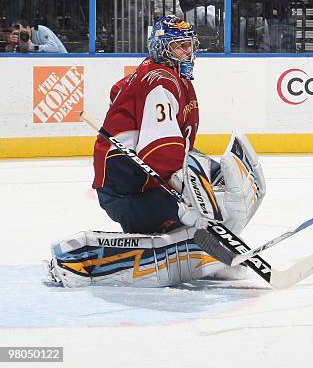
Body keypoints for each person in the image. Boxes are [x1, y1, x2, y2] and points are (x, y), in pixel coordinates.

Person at [44, 16, 266, 287]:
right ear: (162, 48)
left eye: (189, 45)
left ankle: (207, 253)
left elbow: (162, 134)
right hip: (128, 194)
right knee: (199, 221)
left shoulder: (169, 78)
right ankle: (80, 257)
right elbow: (159, 150)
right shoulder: (161, 82)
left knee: (209, 207)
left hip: (137, 187)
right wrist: (185, 198)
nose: (188, 52)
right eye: (180, 46)